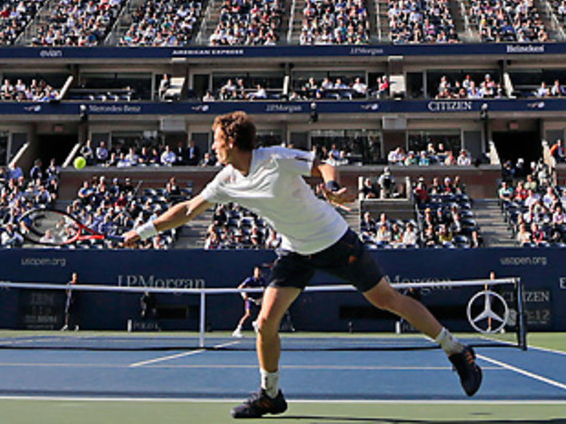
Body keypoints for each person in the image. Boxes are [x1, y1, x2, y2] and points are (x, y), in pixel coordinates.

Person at [124, 111, 482, 418]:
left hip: (334, 239)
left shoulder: (275, 158)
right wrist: (144, 230)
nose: (212, 145)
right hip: (294, 250)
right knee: (265, 322)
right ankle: (271, 395)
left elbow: (322, 164)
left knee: (387, 299)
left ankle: (458, 351)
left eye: (216, 139)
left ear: (231, 140)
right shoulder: (226, 180)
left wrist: (331, 185)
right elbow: (187, 209)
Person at [233, 265, 266, 338]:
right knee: (248, 314)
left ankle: (256, 323)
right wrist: (244, 295)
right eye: (257, 271)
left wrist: (261, 299)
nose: (258, 273)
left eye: (259, 271)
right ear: (254, 272)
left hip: (259, 300)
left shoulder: (262, 280)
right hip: (250, 300)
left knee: (263, 312)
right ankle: (238, 330)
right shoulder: (250, 280)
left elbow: (265, 290)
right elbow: (240, 287)